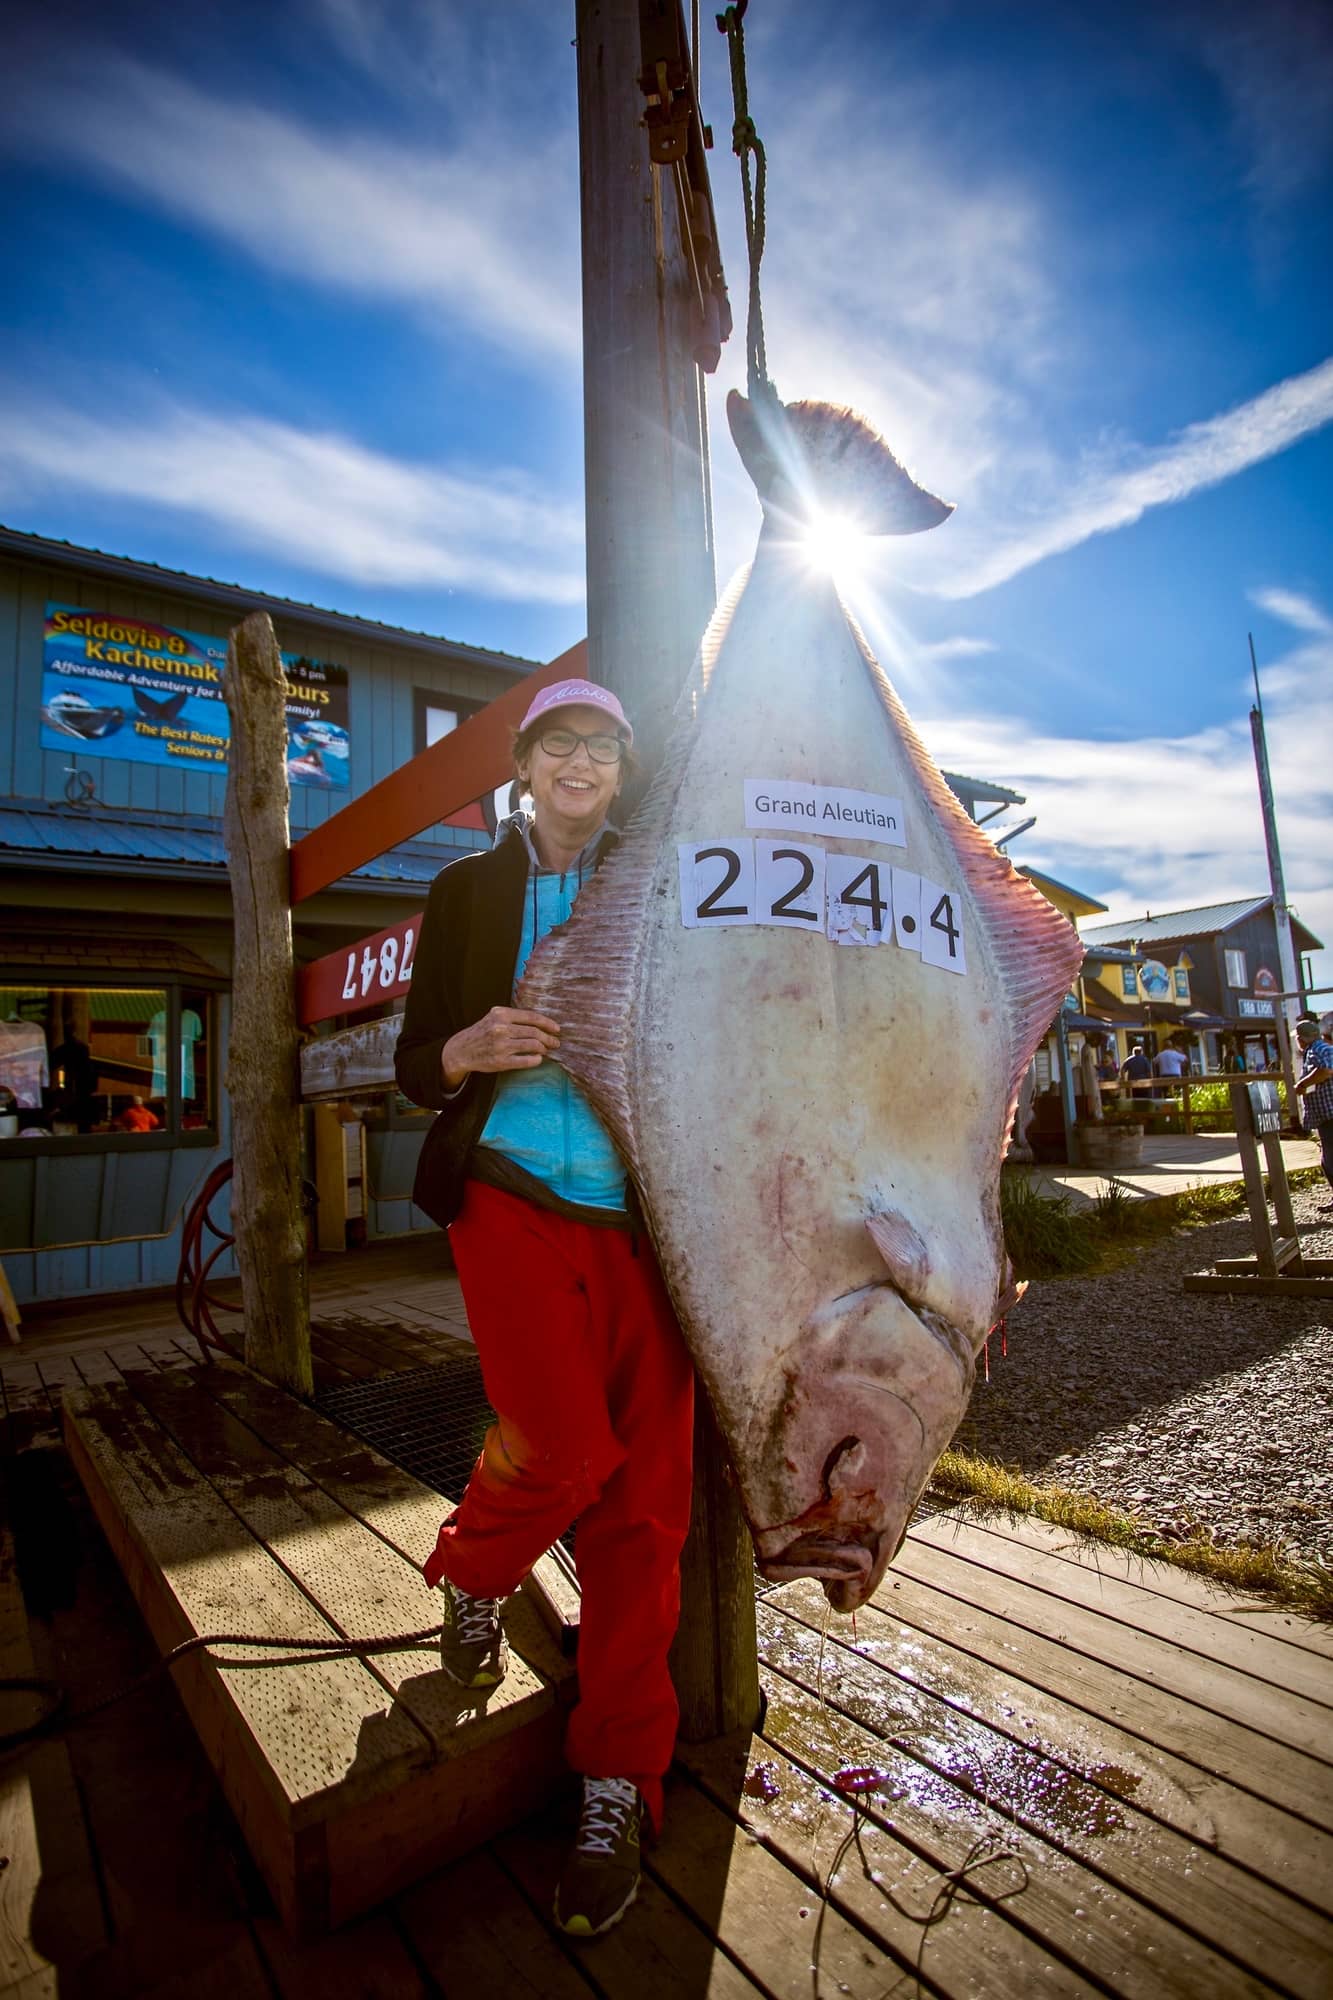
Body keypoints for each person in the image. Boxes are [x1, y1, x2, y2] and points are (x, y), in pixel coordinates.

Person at [394, 679, 694, 1939]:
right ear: (523, 764)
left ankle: (618, 1774)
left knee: (645, 1508)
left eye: (601, 747)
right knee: (562, 1447)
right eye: (559, 743)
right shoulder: (466, 890)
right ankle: (474, 1567)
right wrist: (466, 1048)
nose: (580, 761)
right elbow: (415, 1062)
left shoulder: (664, 880)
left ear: (622, 768)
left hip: (653, 1218)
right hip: (507, 1190)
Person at [1294, 1018, 1333, 1207]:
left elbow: (1326, 1070)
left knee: (1329, 1160)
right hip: (1325, 1113)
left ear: (1301, 1039)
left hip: (1329, 1113)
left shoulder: (1318, 1050)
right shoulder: (1321, 1048)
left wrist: (1303, 1084)